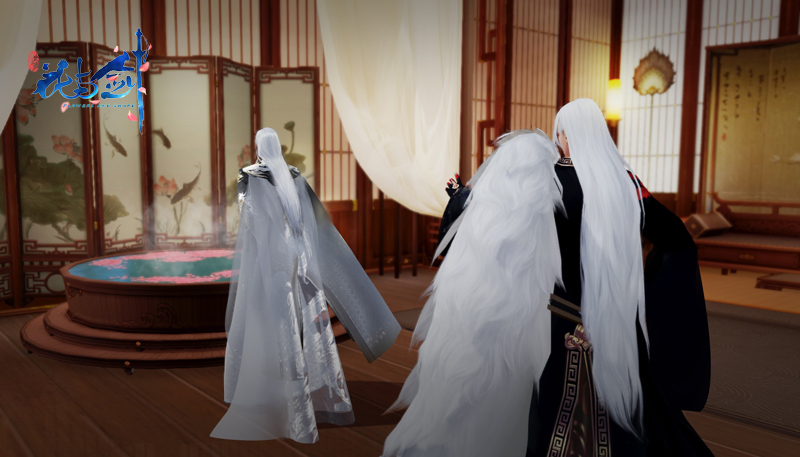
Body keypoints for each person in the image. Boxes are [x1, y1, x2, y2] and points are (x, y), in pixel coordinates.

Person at [383, 99, 712, 457]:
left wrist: (460, 197)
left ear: (566, 134)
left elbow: (495, 222)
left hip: (560, 315)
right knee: (634, 407)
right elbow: (676, 235)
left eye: (561, 133)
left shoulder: (547, 180)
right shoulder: (627, 183)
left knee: (548, 404)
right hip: (617, 321)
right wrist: (649, 286)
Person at [211, 127, 400, 444]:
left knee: (272, 323)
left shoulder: (249, 174)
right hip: (298, 253)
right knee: (306, 325)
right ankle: (314, 394)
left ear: (259, 146)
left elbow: (249, 219)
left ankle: (286, 403)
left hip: (272, 256)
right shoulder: (293, 174)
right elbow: (309, 219)